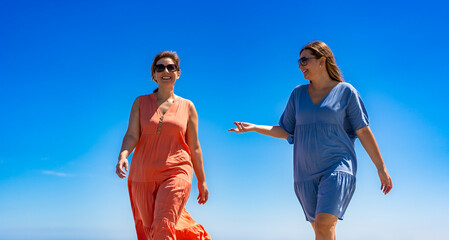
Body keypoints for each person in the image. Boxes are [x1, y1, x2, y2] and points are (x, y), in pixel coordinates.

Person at [229, 41, 392, 240]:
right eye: (299, 61)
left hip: (337, 167)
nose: (300, 65)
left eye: (304, 60)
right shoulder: (298, 94)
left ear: (322, 61)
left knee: (324, 226)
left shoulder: (346, 92)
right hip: (305, 175)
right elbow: (285, 130)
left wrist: (381, 167)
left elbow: (363, 131)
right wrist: (254, 127)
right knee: (321, 232)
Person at [116, 51, 211, 240]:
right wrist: (122, 156)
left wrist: (202, 181)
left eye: (171, 67)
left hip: (177, 171)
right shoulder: (140, 102)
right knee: (152, 232)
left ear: (178, 73)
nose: (165, 71)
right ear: (153, 75)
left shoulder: (188, 106)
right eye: (160, 67)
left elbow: (194, 146)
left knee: (163, 226)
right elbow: (132, 135)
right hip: (142, 176)